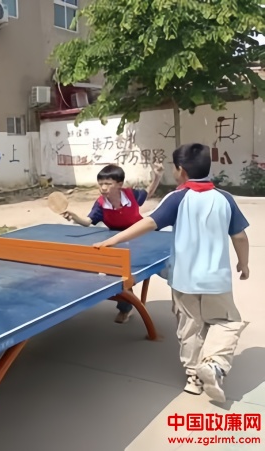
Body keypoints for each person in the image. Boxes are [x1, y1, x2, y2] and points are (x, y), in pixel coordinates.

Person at [92, 143, 250, 402]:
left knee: (190, 327)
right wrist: (244, 264)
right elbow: (240, 236)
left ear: (181, 170)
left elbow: (148, 223)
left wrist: (113, 240)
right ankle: (214, 364)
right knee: (226, 322)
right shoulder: (225, 198)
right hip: (216, 280)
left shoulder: (177, 197)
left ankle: (193, 377)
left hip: (184, 279)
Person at [63, 163, 164, 323]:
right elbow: (88, 221)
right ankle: (126, 307)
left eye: (108, 184)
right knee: (119, 274)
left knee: (156, 268)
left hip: (141, 238)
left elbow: (148, 192)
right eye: (101, 184)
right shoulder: (100, 204)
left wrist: (157, 176)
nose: (103, 188)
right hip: (117, 242)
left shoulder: (131, 195)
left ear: (119, 184)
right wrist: (74, 217)